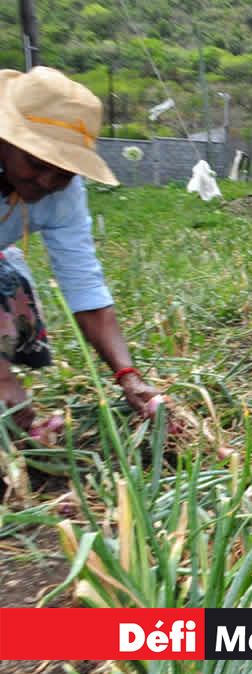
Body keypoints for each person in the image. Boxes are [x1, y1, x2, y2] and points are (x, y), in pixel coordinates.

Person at [0, 66, 160, 437]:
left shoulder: (63, 195)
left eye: (64, 172)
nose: (47, 182)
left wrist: (128, 376)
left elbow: (85, 288)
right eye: (37, 164)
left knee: (8, 277)